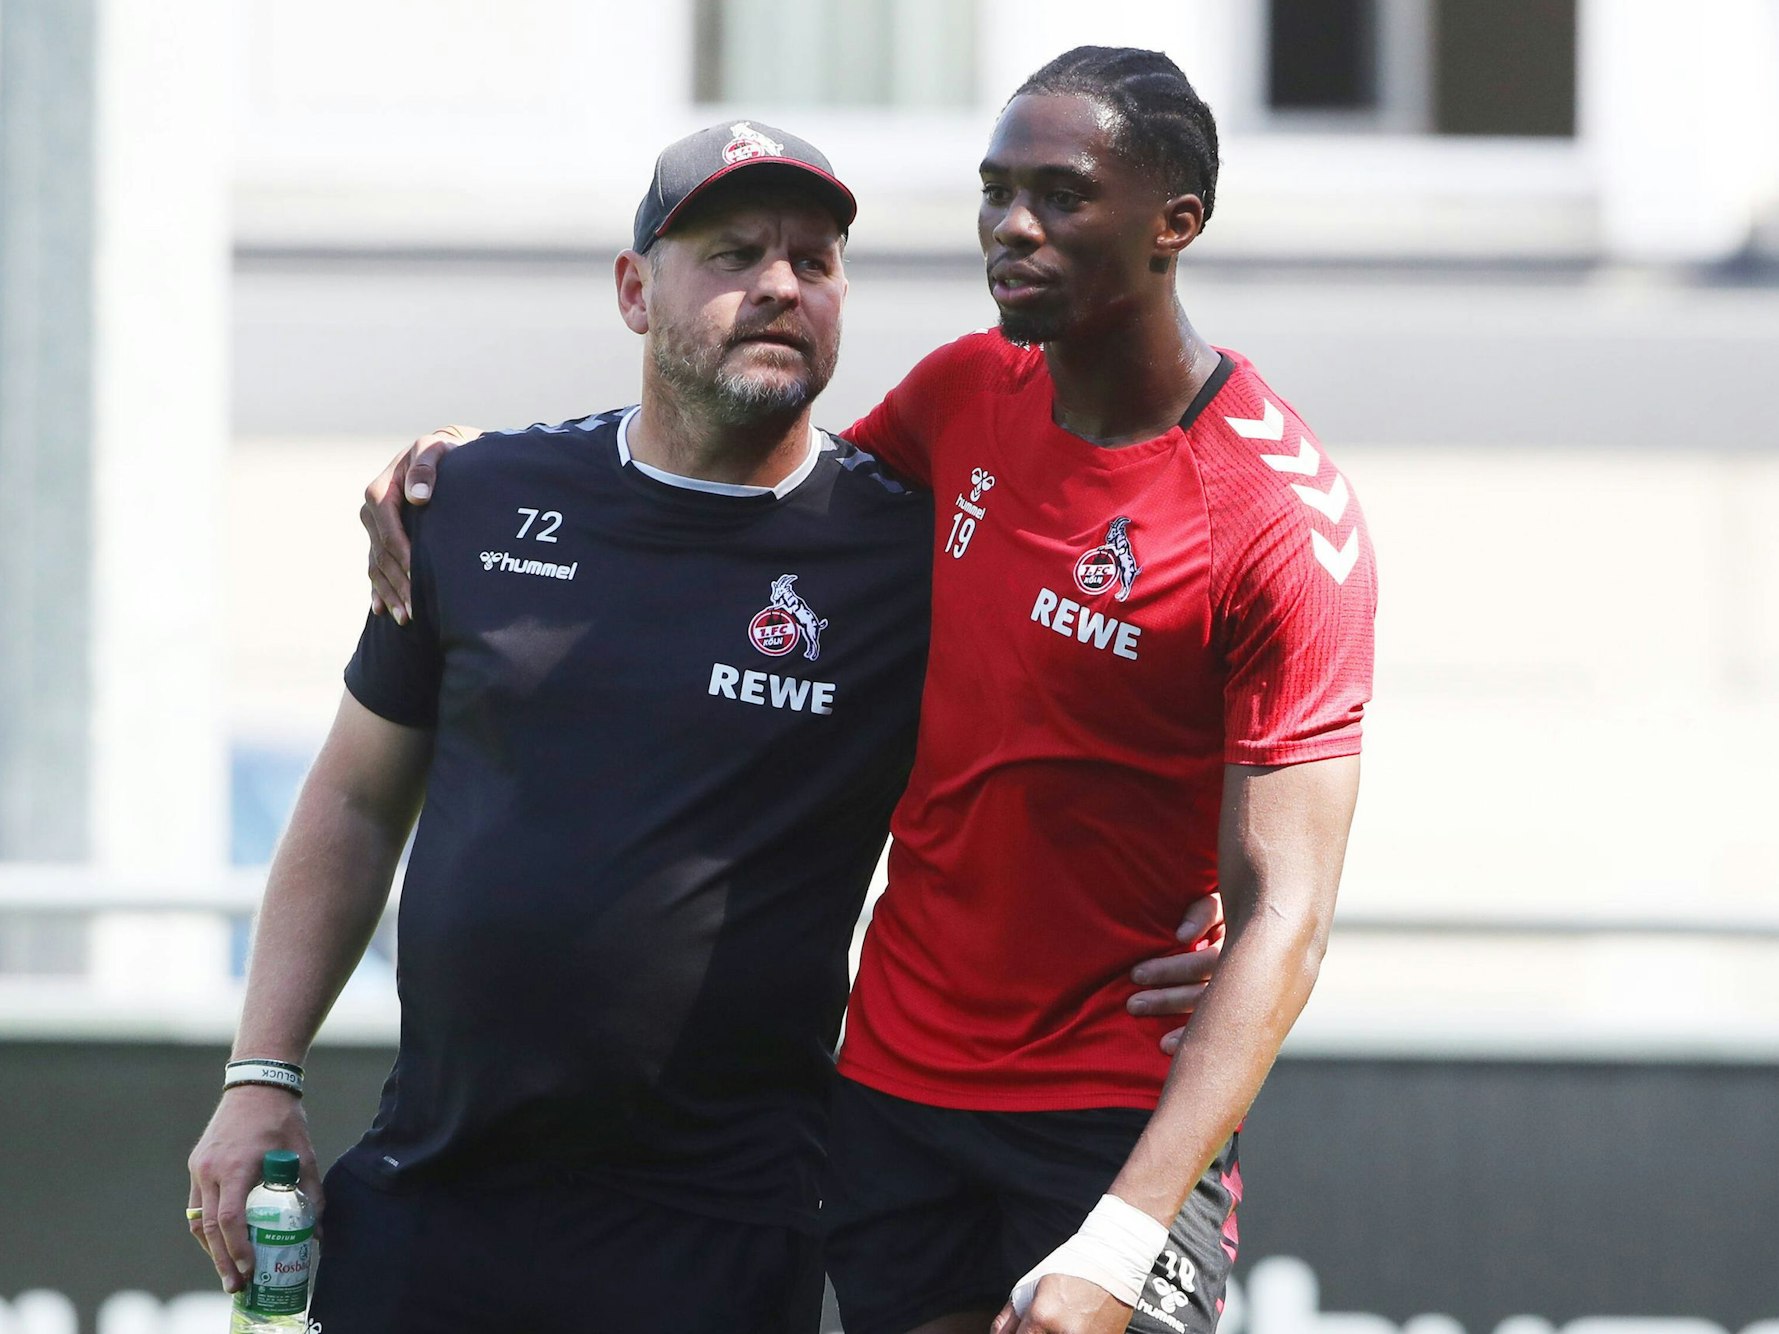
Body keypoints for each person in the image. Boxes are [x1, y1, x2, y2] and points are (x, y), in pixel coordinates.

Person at [363, 47, 1373, 1334]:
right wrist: (491, 468)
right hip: (897, 1089)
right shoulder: (967, 391)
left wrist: (1123, 1235)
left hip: (1111, 1112)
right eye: (994, 190)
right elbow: (749, 482)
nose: (1012, 225)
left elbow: (1289, 904)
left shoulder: (1279, 517)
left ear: (1177, 222)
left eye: (1060, 195)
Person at [188, 117, 1221, 1334]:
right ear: (635, 291)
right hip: (436, 1193)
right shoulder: (468, 500)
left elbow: (1087, 719)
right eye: (733, 253)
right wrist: (262, 1074)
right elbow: (356, 800)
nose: (780, 284)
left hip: (725, 1226)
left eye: (815, 261)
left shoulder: (914, 547)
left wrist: (1194, 900)